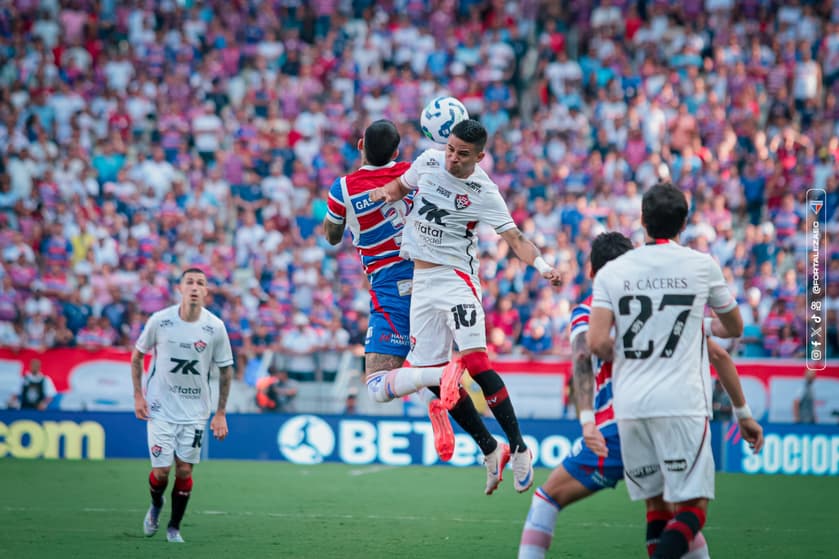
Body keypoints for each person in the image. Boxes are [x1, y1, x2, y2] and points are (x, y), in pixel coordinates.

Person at [518, 232, 764, 559]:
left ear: (592, 271)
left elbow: (581, 355)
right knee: (666, 508)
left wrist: (587, 418)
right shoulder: (659, 305)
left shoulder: (591, 307)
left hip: (619, 424)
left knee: (546, 499)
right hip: (671, 419)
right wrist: (743, 413)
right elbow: (720, 354)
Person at [371, 119, 562, 494]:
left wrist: (543, 266)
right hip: (422, 283)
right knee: (434, 377)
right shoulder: (428, 161)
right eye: (451, 149)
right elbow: (399, 186)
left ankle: (520, 446)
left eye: (462, 154)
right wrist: (380, 194)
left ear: (480, 156)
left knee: (475, 362)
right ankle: (491, 448)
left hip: (456, 280)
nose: (452, 158)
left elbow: (515, 238)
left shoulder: (483, 191)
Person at [588, 183, 746, 559]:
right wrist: (695, 326)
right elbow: (734, 327)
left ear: (641, 220)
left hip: (631, 404)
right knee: (693, 507)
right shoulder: (701, 265)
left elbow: (596, 342)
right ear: (684, 223)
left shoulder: (614, 271)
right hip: (683, 403)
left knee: (656, 506)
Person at [322, 119, 493, 464]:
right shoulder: (417, 170)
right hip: (433, 275)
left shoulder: (343, 188)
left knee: (379, 384)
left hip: (390, 287)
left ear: (360, 145)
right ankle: (489, 447)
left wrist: (339, 218)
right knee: (431, 374)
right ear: (398, 152)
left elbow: (332, 236)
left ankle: (441, 381)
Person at [131, 267, 234, 544]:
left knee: (185, 470)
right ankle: (156, 504)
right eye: (189, 282)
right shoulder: (160, 321)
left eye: (200, 283)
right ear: (180, 288)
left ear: (206, 292)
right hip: (160, 408)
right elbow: (137, 357)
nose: (194, 287)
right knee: (162, 471)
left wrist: (220, 412)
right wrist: (138, 396)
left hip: (195, 412)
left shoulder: (215, 327)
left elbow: (226, 370)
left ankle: (174, 528)